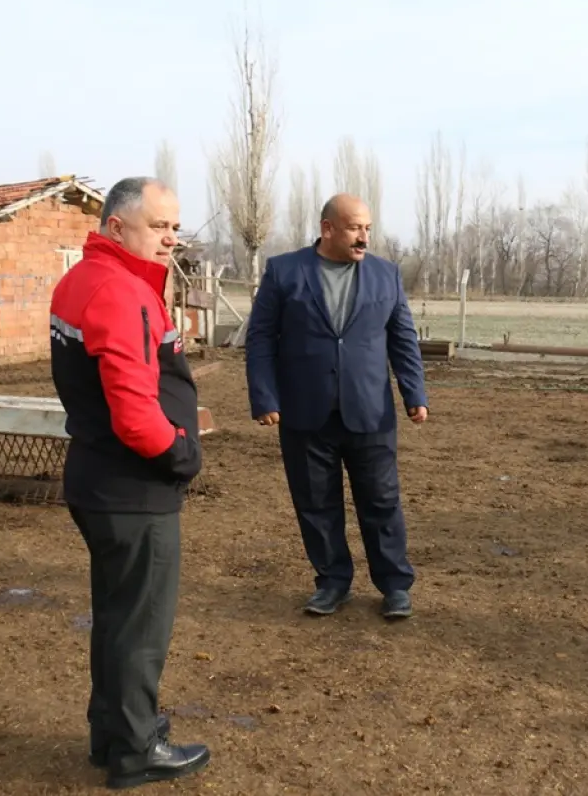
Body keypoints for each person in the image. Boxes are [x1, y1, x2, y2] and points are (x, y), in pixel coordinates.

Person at [49, 176, 209, 789]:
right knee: (140, 625)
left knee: (117, 616)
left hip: (99, 476)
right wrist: (180, 454)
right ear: (116, 226)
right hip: (132, 487)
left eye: (174, 226)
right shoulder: (119, 292)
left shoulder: (83, 279)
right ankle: (137, 749)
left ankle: (113, 731)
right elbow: (134, 411)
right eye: (158, 226)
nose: (170, 239)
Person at [245, 192, 428, 620]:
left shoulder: (387, 275)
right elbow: (260, 339)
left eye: (367, 228)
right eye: (354, 228)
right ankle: (332, 582)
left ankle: (395, 586)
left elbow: (403, 338)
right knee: (315, 503)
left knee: (382, 501)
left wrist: (414, 394)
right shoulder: (284, 271)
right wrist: (264, 396)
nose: (364, 237)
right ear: (328, 228)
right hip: (305, 411)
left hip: (370, 411)